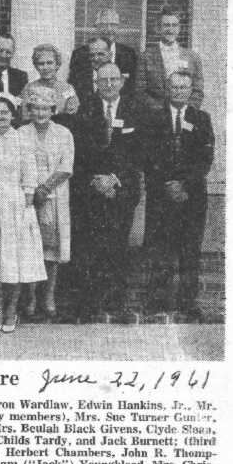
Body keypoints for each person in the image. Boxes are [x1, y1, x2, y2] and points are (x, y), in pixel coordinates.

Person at [73, 63, 142, 322]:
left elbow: (141, 153)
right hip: (92, 192)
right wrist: (96, 181)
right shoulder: (86, 111)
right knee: (91, 248)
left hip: (122, 191)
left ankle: (117, 305)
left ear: (122, 81)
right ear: (96, 83)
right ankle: (90, 306)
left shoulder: (136, 110)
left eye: (114, 79)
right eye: (104, 80)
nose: (109, 84)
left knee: (118, 248)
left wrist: (114, 180)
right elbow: (78, 153)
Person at [143, 70, 213, 320]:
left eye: (184, 87)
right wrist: (168, 184)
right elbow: (148, 156)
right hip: (161, 195)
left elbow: (205, 159)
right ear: (168, 89)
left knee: (189, 249)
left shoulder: (201, 119)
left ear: (191, 90)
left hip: (191, 197)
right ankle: (157, 301)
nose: (179, 92)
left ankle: (187, 302)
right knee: (160, 247)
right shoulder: (153, 118)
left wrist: (183, 184)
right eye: (175, 87)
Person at [0, 93, 45, 332]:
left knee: (14, 260)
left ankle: (11, 312)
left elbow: (30, 176)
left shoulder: (22, 140)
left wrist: (26, 208)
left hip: (17, 204)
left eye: (4, 112)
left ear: (12, 114)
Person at [17, 87, 74, 321]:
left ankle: (48, 296)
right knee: (30, 249)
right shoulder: (20, 132)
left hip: (54, 195)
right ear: (29, 110)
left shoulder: (63, 133)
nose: (40, 113)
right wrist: (32, 191)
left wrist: (45, 188)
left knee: (52, 249)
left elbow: (66, 166)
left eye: (45, 108)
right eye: (35, 108)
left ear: (53, 109)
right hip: (27, 197)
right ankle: (29, 297)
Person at [137, 7, 204, 112]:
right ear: (158, 28)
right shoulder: (146, 57)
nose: (170, 30)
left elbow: (198, 90)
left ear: (179, 29)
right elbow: (140, 90)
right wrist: (159, 110)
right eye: (166, 25)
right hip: (156, 115)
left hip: (183, 114)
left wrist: (187, 111)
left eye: (174, 25)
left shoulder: (192, 57)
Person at [69, 9, 137, 96]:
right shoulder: (79, 54)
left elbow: (133, 86)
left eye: (113, 25)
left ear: (118, 28)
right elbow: (72, 85)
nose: (108, 29)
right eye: (103, 25)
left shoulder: (128, 54)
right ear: (96, 28)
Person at [19, 44, 79, 125]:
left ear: (57, 64)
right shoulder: (29, 88)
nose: (45, 67)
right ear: (36, 66)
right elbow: (25, 117)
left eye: (49, 63)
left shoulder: (67, 89)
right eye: (41, 63)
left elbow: (71, 116)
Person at [69, 36, 114, 109]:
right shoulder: (78, 78)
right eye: (92, 55)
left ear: (110, 55)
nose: (96, 58)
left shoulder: (119, 78)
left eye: (100, 54)